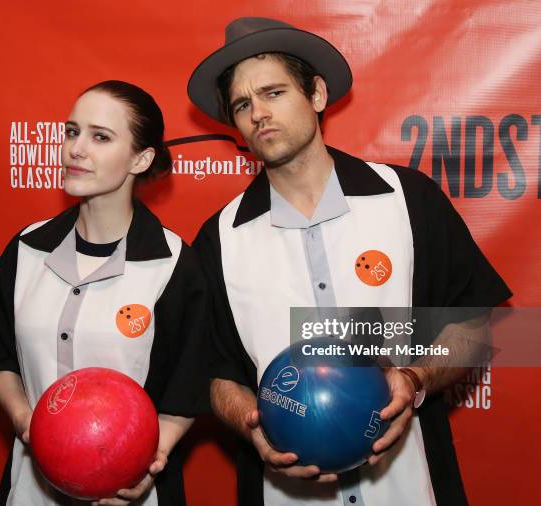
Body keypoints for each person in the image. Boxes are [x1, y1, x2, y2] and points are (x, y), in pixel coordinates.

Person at [188, 17, 511, 506]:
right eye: (241, 104)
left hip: (411, 490)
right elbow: (218, 375)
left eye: (274, 93)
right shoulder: (219, 239)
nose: (258, 114)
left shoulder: (408, 198)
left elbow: (472, 328)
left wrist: (413, 378)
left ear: (316, 94)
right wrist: (250, 424)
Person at [0, 80, 208, 506]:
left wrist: (146, 462)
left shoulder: (172, 264)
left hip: (132, 493)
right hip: (31, 491)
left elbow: (184, 393)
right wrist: (26, 422)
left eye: (100, 137)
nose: (76, 148)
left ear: (141, 158)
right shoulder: (27, 249)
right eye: (72, 131)